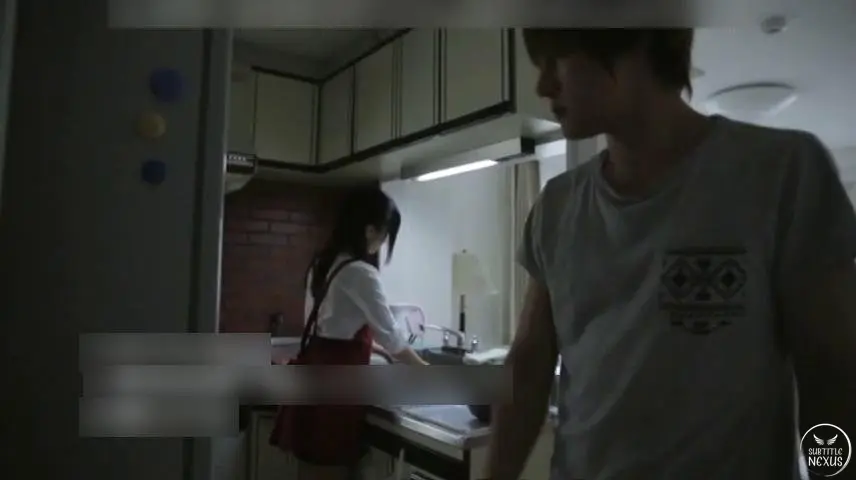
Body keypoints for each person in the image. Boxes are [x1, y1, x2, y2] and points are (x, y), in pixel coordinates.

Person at [487, 29, 856, 479]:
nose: (544, 85)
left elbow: (831, 376)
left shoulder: (783, 172)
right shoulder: (557, 206)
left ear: (634, 38)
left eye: (557, 59)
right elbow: (528, 368)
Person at [269, 187, 429, 480]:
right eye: (384, 236)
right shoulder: (361, 273)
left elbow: (328, 328)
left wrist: (374, 349)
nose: (382, 244)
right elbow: (392, 339)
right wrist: (426, 371)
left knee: (312, 469)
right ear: (370, 230)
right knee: (329, 470)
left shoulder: (324, 262)